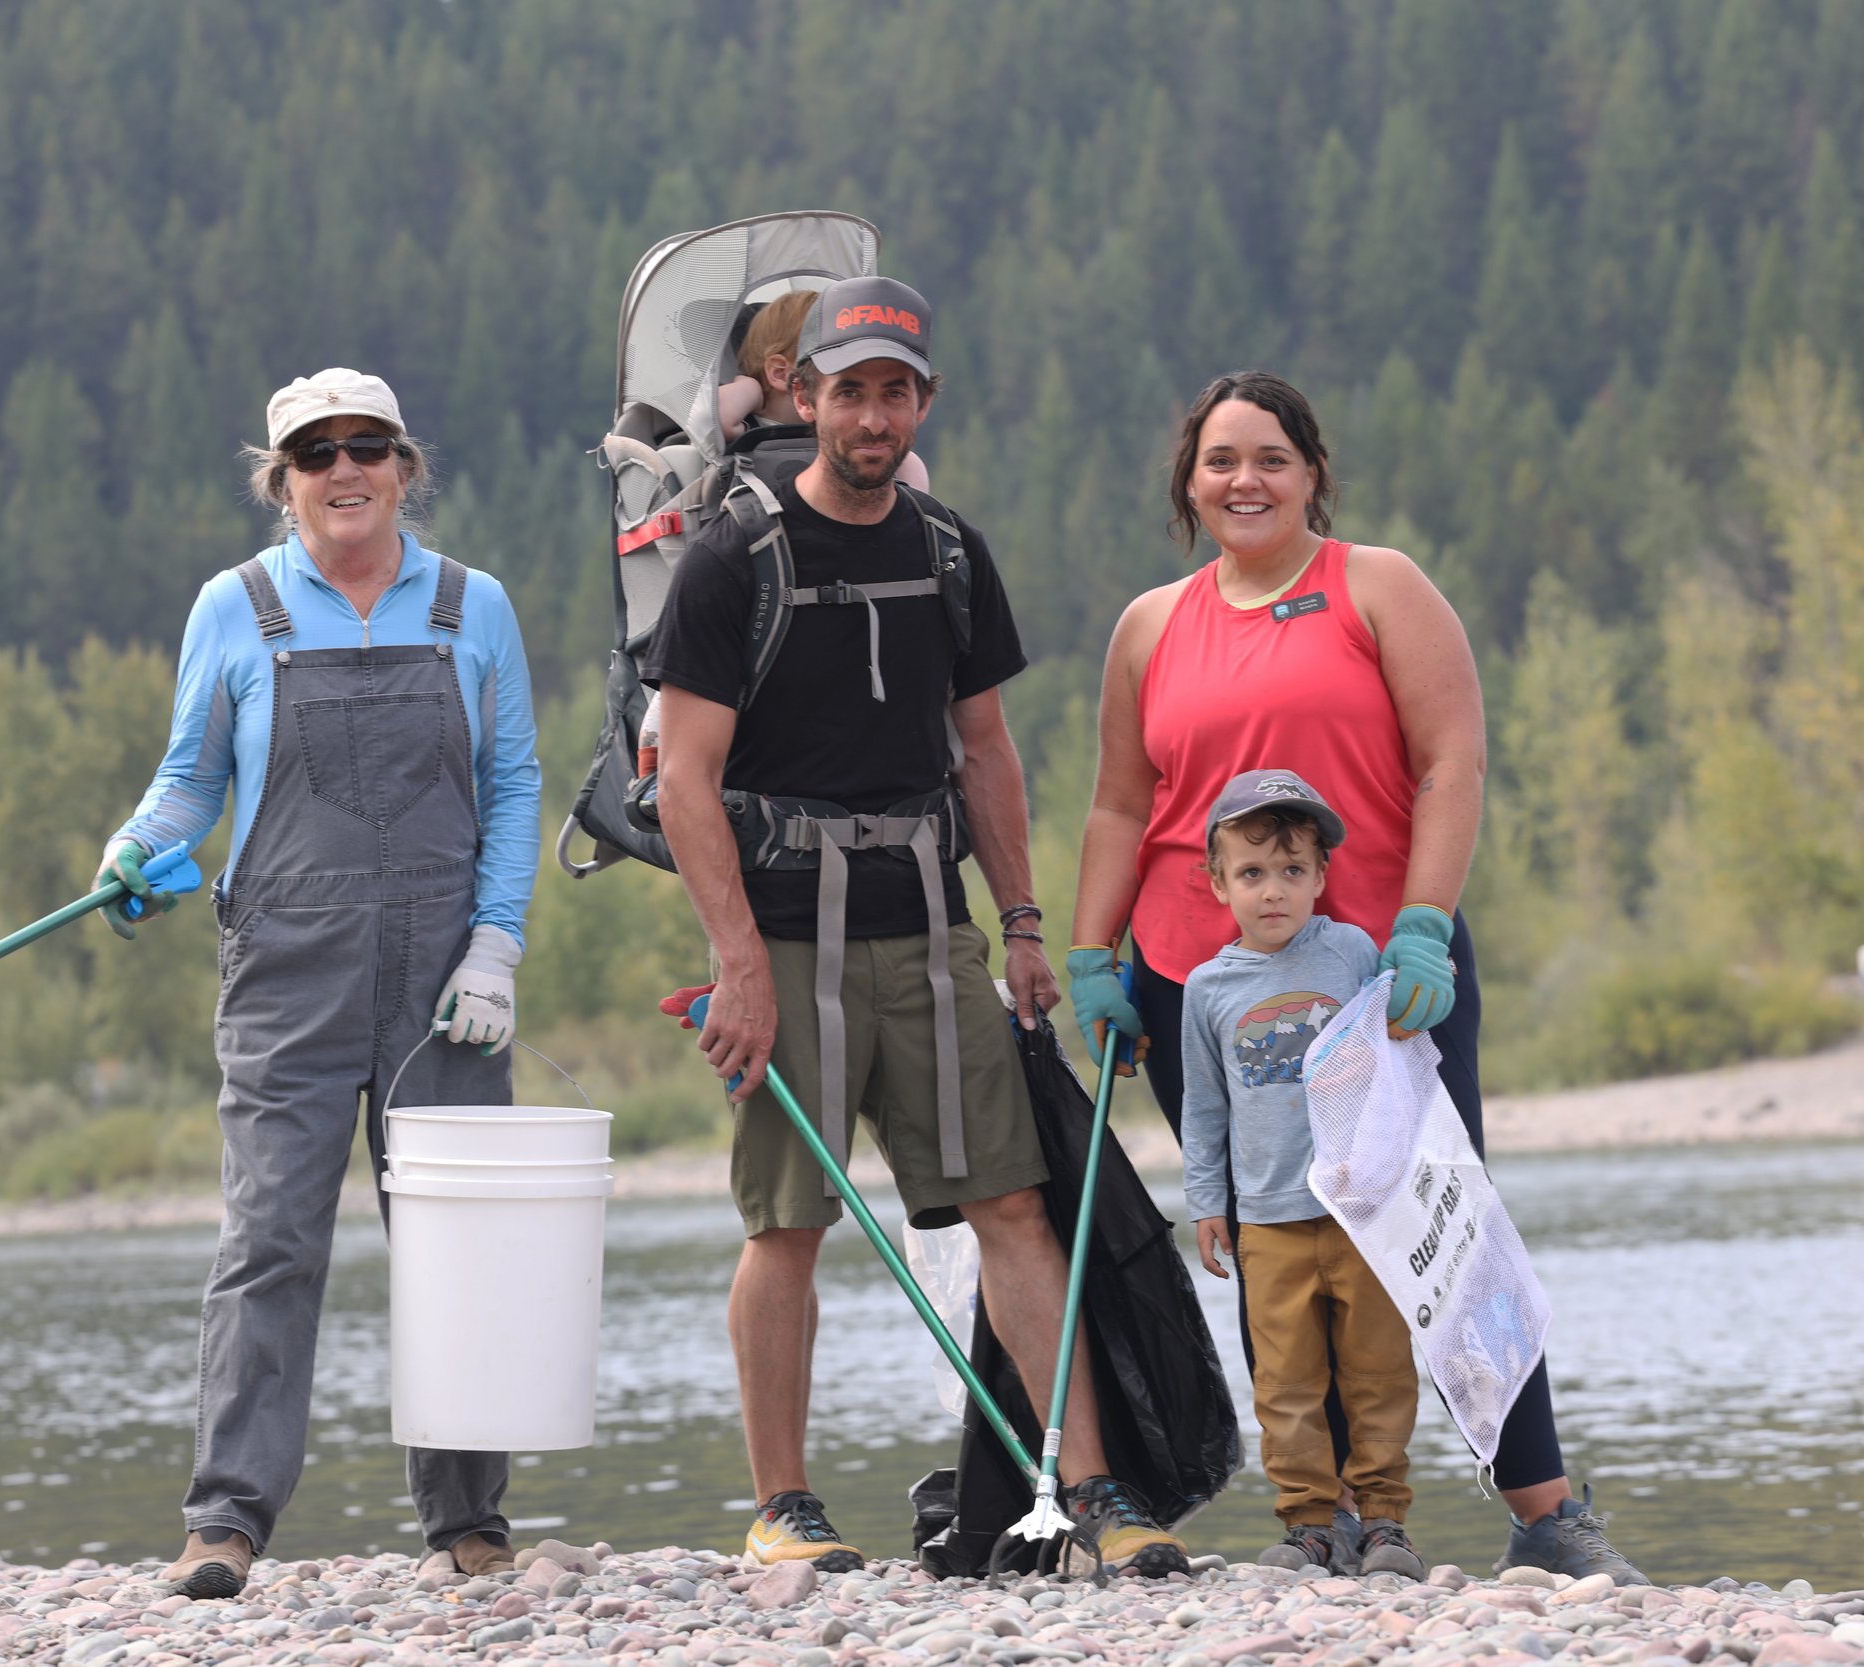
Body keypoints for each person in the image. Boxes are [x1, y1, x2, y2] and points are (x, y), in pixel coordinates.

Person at [644, 275, 1188, 1576]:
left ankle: (1092, 1489)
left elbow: (986, 749)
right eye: (850, 389)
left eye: (896, 390)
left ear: (921, 400)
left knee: (1012, 1202)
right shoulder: (736, 556)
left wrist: (1019, 921)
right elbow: (684, 781)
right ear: (803, 394)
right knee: (787, 1221)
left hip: (931, 923)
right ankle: (784, 1505)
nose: (873, 413)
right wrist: (735, 966)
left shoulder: (947, 549)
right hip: (783, 937)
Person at [1065, 370, 1646, 1584]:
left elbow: (1452, 763)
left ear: (1313, 470)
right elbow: (1126, 801)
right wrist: (1093, 952)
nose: (1245, 479)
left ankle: (1543, 1507)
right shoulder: (1149, 625)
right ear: (1188, 480)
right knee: (1274, 1247)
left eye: (1270, 455)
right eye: (1220, 458)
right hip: (1200, 987)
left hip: (1385, 986)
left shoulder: (1376, 586)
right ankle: (1322, 1525)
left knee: (1444, 1238)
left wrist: (1426, 925)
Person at [98, 368, 543, 1598]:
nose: (342, 470)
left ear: (405, 464)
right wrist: (136, 846)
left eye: (366, 447)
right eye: (314, 454)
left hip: (446, 973)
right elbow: (192, 777)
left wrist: (496, 942)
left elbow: (513, 783)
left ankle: (469, 1516)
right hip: (286, 969)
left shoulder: (474, 606)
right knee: (269, 1239)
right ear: (280, 478)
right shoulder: (232, 607)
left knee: (457, 1241)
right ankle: (226, 1518)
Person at [1179, 770, 1422, 1580]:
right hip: (1269, 1221)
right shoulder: (1208, 990)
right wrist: (1208, 1202)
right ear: (1219, 883)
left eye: (1291, 871)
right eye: (1251, 873)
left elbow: (1397, 1071)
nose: (1273, 891)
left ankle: (1385, 1518)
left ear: (1321, 877)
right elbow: (1204, 1107)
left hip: (1361, 1210)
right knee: (1285, 1379)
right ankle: (1311, 1521)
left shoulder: (1352, 953)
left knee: (1378, 1370)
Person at [717, 288, 929, 489]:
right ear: (781, 373)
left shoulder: (843, 427)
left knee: (909, 460)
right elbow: (718, 420)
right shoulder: (749, 428)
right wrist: (750, 387)